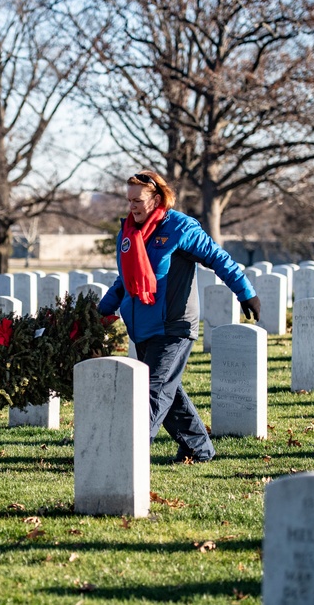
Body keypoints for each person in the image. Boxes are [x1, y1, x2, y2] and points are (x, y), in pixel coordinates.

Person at [97, 171, 260, 464]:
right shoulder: (129, 234)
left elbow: (218, 258)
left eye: (138, 200)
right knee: (169, 396)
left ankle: (124, 457)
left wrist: (245, 292)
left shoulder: (180, 228)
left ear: (156, 198)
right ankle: (198, 449)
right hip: (142, 328)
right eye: (129, 200)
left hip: (174, 326)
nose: (132, 206)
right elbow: (125, 281)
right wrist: (101, 312)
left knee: (153, 392)